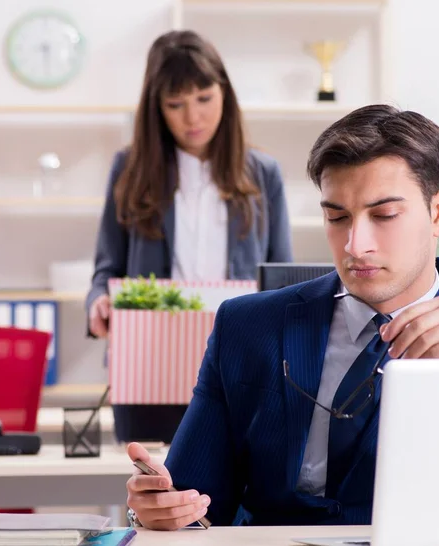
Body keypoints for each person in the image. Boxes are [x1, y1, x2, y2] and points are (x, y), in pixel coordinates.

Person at [124, 104, 439, 529]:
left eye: (385, 215)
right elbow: (193, 502)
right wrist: (160, 509)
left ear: (438, 213)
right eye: (337, 217)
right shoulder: (246, 326)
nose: (356, 245)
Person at [85, 30, 293, 443]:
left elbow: (281, 279)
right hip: (148, 363)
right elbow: (106, 267)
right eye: (175, 104)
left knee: (233, 496)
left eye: (204, 98)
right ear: (156, 108)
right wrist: (99, 302)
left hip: (240, 364)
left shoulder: (262, 173)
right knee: (152, 493)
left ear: (225, 94)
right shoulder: (129, 169)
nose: (192, 117)